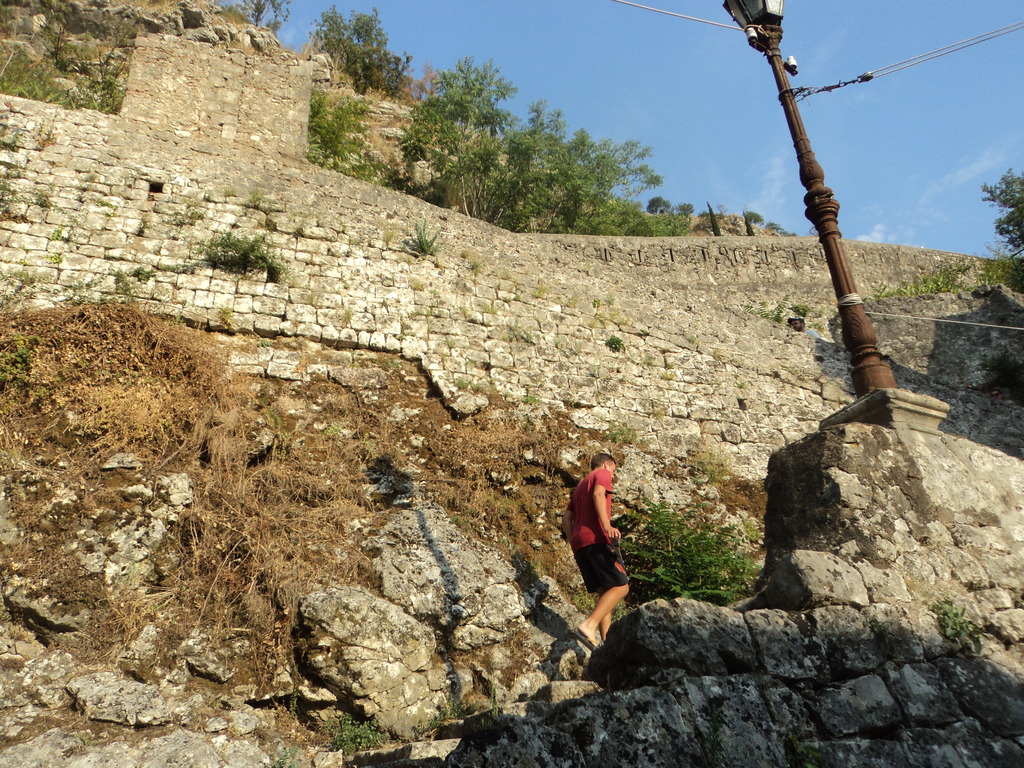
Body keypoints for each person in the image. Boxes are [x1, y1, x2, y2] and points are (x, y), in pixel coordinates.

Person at [561, 452, 629, 650]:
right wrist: (607, 526)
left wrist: (574, 538)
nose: (613, 477)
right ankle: (589, 625)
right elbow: (599, 494)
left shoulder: (580, 485)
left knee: (605, 592)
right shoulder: (602, 474)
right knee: (621, 586)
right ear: (608, 465)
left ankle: (605, 643)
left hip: (580, 544)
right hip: (597, 539)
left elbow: (566, 518)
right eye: (614, 471)